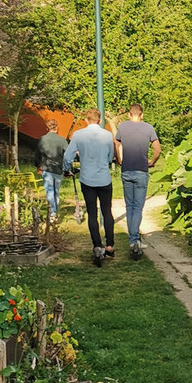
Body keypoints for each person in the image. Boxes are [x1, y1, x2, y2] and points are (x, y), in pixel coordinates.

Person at [64, 108, 117, 266]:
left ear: (86, 120)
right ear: (100, 120)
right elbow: (110, 157)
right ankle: (109, 244)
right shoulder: (107, 135)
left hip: (87, 180)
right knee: (107, 211)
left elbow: (68, 155)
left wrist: (66, 169)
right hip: (104, 179)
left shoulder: (78, 135)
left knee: (92, 213)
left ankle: (97, 246)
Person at [114, 103, 161, 259]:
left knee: (129, 206)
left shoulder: (122, 127)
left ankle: (133, 239)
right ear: (142, 115)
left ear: (129, 114)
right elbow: (157, 148)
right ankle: (134, 240)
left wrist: (119, 158)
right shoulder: (148, 128)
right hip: (141, 170)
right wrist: (152, 161)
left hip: (126, 170)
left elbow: (116, 142)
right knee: (138, 207)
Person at [35, 119, 68, 223]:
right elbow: (67, 155)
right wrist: (67, 169)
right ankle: (54, 212)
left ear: (47, 127)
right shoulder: (62, 140)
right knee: (56, 191)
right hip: (58, 169)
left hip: (47, 168)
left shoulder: (42, 139)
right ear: (56, 127)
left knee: (49, 191)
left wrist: (38, 166)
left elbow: (37, 155)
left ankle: (52, 213)